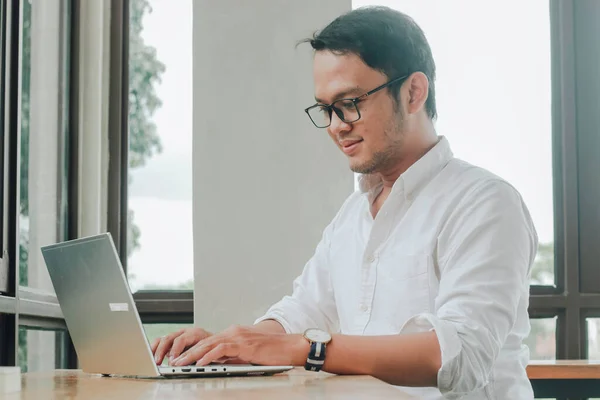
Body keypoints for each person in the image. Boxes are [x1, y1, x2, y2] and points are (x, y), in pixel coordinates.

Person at [152, 6, 537, 399]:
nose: (336, 126)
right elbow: (302, 314)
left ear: (413, 92)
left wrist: (308, 348)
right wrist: (225, 347)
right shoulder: (352, 216)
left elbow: (460, 356)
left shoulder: (485, 203)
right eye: (325, 109)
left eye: (350, 102)